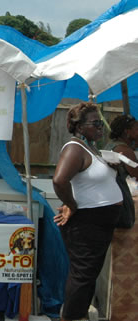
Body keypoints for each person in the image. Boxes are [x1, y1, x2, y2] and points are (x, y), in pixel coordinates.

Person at [52, 102, 122, 321]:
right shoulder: (74, 148)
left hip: (98, 223)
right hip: (86, 224)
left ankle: (78, 315)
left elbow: (86, 181)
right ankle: (71, 317)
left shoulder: (90, 147)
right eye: (95, 123)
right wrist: (71, 204)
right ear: (79, 126)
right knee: (82, 276)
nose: (101, 127)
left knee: (88, 275)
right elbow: (60, 180)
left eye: (102, 123)